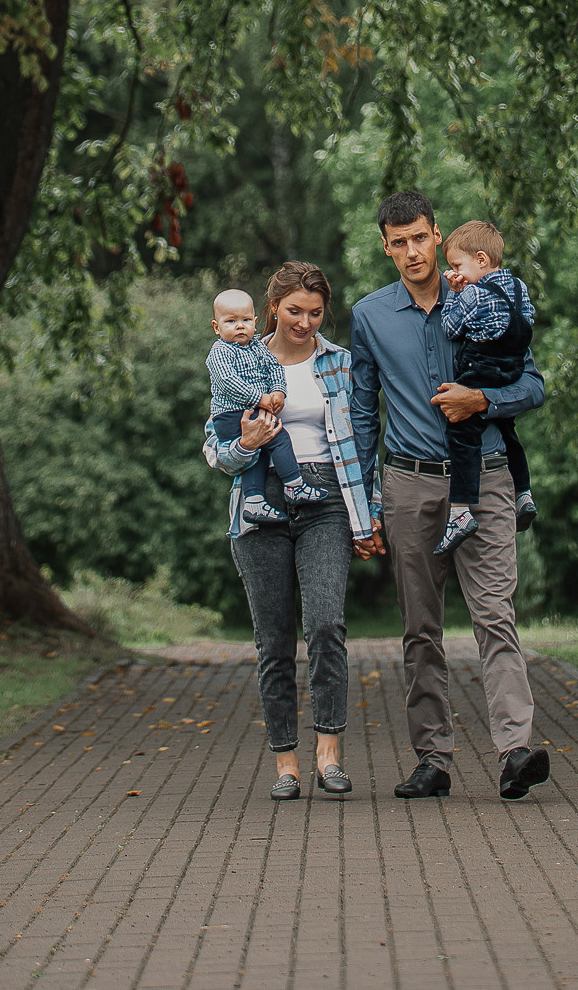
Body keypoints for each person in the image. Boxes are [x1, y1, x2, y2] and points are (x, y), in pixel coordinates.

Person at [350, 189, 551, 802]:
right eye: (398, 243)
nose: (412, 251)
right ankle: (432, 760)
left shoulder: (485, 296)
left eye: (419, 237)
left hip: (486, 476)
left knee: (495, 614)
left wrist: (482, 400)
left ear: (437, 235)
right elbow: (362, 412)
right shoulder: (370, 317)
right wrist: (363, 506)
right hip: (408, 485)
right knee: (421, 627)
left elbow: (534, 382)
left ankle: (516, 750)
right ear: (386, 248)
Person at [204, 261, 376, 801]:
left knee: (325, 624)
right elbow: (215, 450)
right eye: (294, 311)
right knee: (273, 640)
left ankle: (328, 753)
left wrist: (367, 517)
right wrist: (247, 445)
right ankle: (286, 763)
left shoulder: (341, 364)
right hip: (260, 502)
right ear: (271, 308)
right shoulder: (236, 360)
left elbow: (364, 448)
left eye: (316, 312)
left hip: (325, 500)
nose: (304, 322)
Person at [435, 221, 538, 555]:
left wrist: (454, 294)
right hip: (512, 369)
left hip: (482, 369)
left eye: (457, 266)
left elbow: (450, 329)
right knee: (508, 431)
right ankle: (523, 492)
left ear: (480, 260)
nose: (455, 273)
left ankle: (461, 510)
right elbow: (529, 318)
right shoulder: (519, 286)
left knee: (462, 435)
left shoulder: (473, 294)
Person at [206, 286, 329, 527]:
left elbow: (274, 368)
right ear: (216, 327)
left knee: (261, 451)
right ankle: (293, 486)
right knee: (276, 440)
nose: (239, 326)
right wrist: (260, 399)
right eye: (230, 321)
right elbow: (228, 382)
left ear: (255, 321)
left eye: (244, 320)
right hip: (231, 415)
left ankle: (254, 502)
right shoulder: (219, 352)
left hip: (257, 409)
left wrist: (278, 391)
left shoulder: (257, 347)